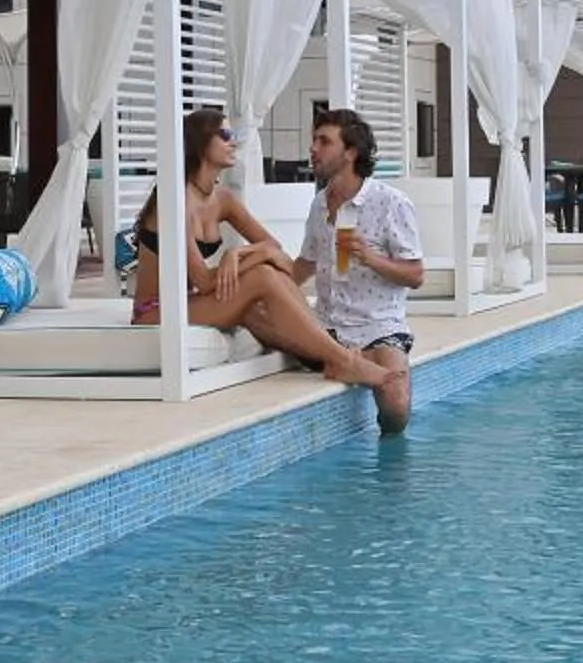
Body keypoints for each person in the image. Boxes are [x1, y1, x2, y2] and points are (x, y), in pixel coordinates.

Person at [128, 108, 392, 395]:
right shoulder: (175, 201)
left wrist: (236, 255)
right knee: (263, 277)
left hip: (191, 300)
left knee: (268, 278)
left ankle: (328, 356)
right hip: (157, 311)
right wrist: (255, 258)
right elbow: (204, 281)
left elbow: (275, 250)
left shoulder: (222, 199)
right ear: (200, 142)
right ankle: (344, 359)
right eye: (226, 135)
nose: (234, 143)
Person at [287, 107, 421, 435]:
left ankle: (389, 470)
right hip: (328, 327)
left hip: (378, 324)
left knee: (396, 404)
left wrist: (371, 258)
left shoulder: (391, 203)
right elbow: (307, 261)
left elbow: (416, 274)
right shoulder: (319, 203)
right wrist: (275, 286)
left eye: (324, 141)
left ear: (350, 152)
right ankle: (343, 361)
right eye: (314, 140)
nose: (313, 148)